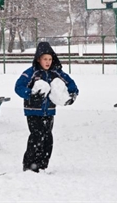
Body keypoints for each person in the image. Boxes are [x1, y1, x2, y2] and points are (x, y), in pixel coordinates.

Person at [15, 42, 79, 173]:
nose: (48, 62)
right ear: (38, 59)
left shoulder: (56, 73)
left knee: (47, 138)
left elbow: (71, 84)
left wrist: (72, 95)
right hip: (33, 111)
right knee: (36, 136)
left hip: (49, 111)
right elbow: (18, 87)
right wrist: (30, 95)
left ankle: (42, 165)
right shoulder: (31, 73)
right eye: (45, 59)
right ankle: (29, 165)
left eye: (50, 59)